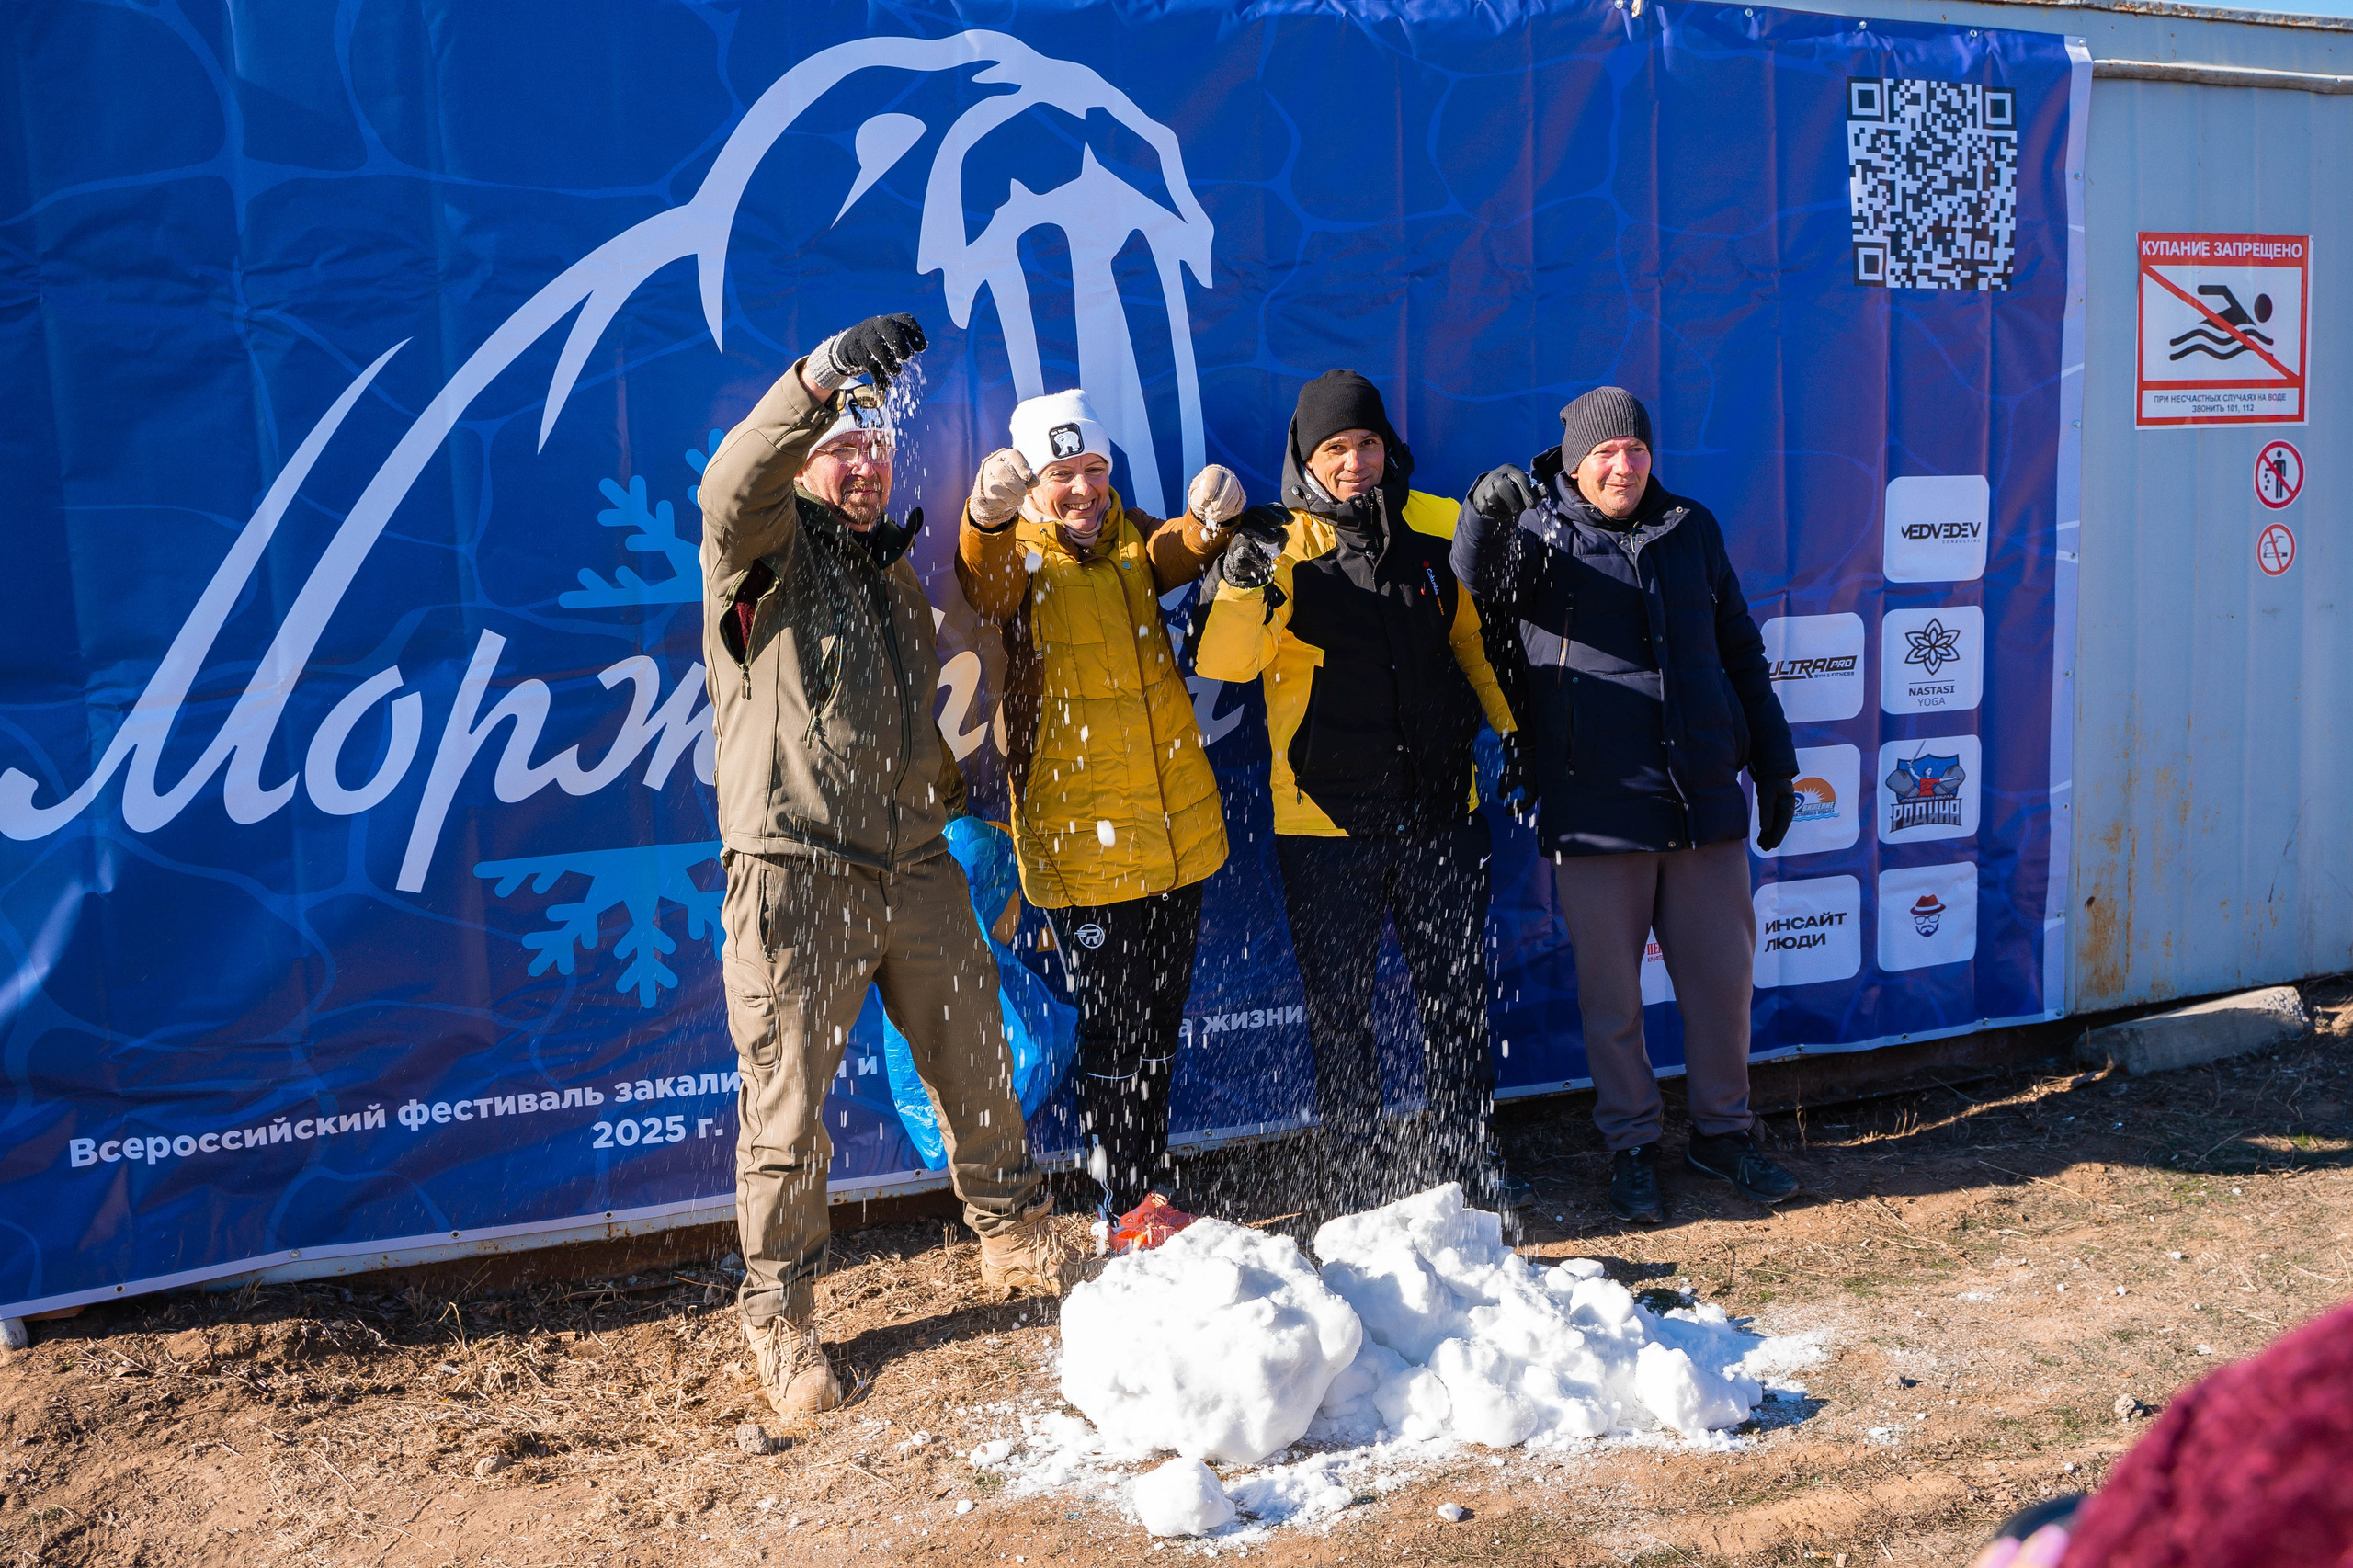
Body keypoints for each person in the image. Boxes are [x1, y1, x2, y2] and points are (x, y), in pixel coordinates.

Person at [699, 312, 1076, 1418]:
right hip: (795, 873)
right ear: (806, 458)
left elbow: (907, 723)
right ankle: (781, 1317)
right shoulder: (758, 548)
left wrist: (946, 818)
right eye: (839, 447)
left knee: (975, 1059)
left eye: (875, 446)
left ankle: (1014, 1235)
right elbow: (731, 485)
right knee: (787, 1114)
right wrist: (816, 377)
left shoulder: (887, 569)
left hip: (910, 863)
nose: (863, 463)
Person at [1453, 387, 1800, 1226]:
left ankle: (1722, 1132)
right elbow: (1477, 593)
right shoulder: (1537, 534)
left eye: (1636, 450)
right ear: (1576, 461)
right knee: (1612, 999)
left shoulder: (1693, 528)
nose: (1624, 465)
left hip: (1701, 800)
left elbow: (1740, 650)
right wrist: (1480, 518)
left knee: (1722, 985)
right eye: (1606, 453)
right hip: (1597, 805)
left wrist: (1776, 763)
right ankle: (1631, 1145)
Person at [1193, 369, 1527, 1214]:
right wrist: (1240, 574)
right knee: (1340, 1015)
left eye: (1366, 443)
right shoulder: (1281, 541)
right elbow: (1226, 663)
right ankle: (1359, 1174)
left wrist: (1516, 733)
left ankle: (1467, 1155)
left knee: (1455, 1002)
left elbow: (1477, 644)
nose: (1354, 463)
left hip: (1442, 812)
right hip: (1325, 819)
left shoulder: (1438, 524)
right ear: (1305, 456)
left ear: (1388, 447)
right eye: (1335, 448)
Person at [954, 389, 1238, 1220]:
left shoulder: (1127, 538)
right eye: (1061, 474)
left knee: (1158, 1020)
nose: (1082, 490)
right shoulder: (1023, 555)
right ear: (1032, 486)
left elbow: (1174, 552)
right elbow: (987, 584)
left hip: (1173, 827)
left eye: (1094, 470)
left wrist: (1209, 523)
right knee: (1113, 1032)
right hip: (1083, 841)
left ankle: (1151, 1182)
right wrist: (985, 514)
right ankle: (1125, 1198)